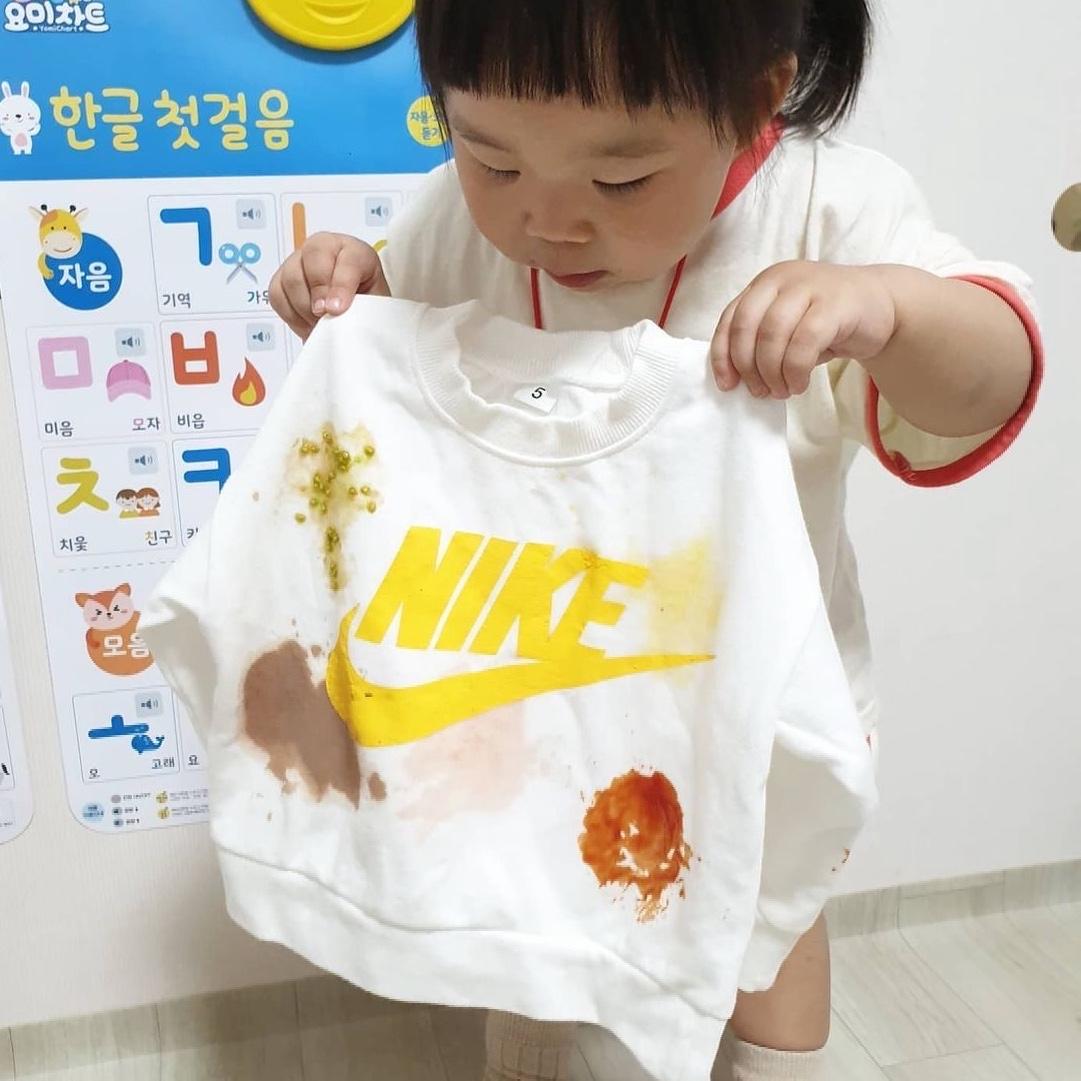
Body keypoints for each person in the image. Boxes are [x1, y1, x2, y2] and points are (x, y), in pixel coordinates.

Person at [268, 2, 1044, 1078]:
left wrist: (888, 311)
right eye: (492, 159)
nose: (548, 222)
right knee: (534, 915)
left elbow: (988, 378)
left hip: (754, 701)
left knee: (766, 916)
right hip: (540, 693)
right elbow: (406, 377)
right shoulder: (454, 221)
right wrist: (357, 292)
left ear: (755, 98)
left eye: (620, 179)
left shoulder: (825, 211)